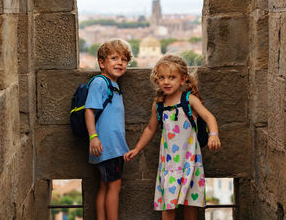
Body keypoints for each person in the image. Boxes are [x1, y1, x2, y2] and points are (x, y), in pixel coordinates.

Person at [124, 54, 221, 220]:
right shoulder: (159, 104)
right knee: (168, 206)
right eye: (162, 78)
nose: (166, 82)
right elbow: (150, 128)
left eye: (171, 77)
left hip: (190, 161)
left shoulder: (189, 100)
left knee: (191, 204)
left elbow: (209, 117)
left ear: (182, 79)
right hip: (169, 164)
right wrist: (137, 148)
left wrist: (214, 134)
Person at [85, 38, 133, 220]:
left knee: (105, 186)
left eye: (123, 60)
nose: (119, 63)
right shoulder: (100, 82)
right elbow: (89, 111)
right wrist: (93, 137)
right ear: (102, 63)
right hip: (106, 145)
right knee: (114, 185)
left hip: (112, 146)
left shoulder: (113, 84)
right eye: (114, 58)